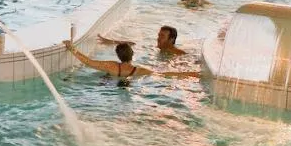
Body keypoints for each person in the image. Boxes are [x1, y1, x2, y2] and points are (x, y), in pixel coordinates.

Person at [63, 38, 198, 84]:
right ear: (132, 54)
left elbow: (87, 62)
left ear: (118, 55)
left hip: (111, 80)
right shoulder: (139, 70)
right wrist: (191, 74)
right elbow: (164, 75)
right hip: (131, 79)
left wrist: (72, 48)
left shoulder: (110, 65)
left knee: (105, 79)